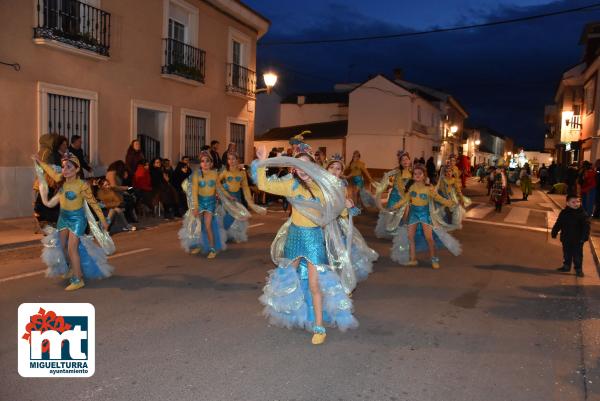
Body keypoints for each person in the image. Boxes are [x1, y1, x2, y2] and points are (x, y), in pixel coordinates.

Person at [252, 143, 358, 345]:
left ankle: (319, 326)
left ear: (314, 166)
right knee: (286, 277)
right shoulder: (289, 184)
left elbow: (336, 210)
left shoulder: (324, 186)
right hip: (294, 236)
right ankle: (290, 312)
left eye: (305, 165)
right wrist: (261, 161)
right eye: (298, 166)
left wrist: (346, 206)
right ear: (294, 168)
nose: (302, 170)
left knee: (314, 284)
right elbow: (263, 185)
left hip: (313, 239)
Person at [33, 153, 113, 291]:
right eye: (63, 167)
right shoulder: (61, 180)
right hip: (63, 218)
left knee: (72, 248)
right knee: (62, 246)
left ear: (76, 169)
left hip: (77, 220)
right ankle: (71, 268)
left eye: (68, 167)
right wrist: (40, 161)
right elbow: (51, 172)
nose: (64, 170)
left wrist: (102, 220)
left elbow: (93, 204)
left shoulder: (82, 185)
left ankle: (78, 279)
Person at [390, 164, 460, 269]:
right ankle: (413, 259)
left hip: (424, 214)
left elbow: (438, 198)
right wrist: (395, 206)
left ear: (424, 176)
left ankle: (434, 259)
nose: (417, 175)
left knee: (429, 238)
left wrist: (450, 203)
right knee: (410, 237)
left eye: (420, 173)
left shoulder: (429, 188)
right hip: (413, 214)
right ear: (412, 176)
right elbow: (405, 199)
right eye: (415, 174)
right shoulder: (412, 187)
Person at [326, 154, 378, 282]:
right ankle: (327, 278)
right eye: (331, 167)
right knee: (324, 250)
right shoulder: (321, 184)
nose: (334, 170)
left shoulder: (342, 185)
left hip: (337, 222)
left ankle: (341, 279)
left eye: (338, 168)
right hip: (323, 222)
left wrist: (347, 205)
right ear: (326, 168)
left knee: (340, 250)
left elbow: (342, 205)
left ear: (341, 172)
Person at [179, 151, 226, 258]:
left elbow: (219, 188)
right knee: (199, 226)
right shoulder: (196, 175)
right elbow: (194, 192)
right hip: (200, 203)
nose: (205, 163)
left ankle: (213, 249)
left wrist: (225, 196)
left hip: (210, 203)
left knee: (208, 225)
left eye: (207, 161)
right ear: (200, 163)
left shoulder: (215, 174)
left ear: (211, 163)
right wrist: (195, 207)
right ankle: (201, 244)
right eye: (202, 161)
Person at [218, 152, 265, 242]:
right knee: (230, 215)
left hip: (237, 196)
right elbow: (217, 182)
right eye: (229, 159)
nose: (231, 161)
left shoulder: (242, 173)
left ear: (237, 160)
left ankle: (230, 235)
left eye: (233, 159)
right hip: (227, 197)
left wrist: (249, 199)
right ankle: (220, 233)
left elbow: (245, 187)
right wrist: (224, 190)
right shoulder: (225, 172)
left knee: (237, 217)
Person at [374, 150, 412, 239]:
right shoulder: (395, 172)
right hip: (394, 198)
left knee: (404, 216)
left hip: (404, 199)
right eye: (403, 160)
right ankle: (393, 231)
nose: (405, 161)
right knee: (389, 220)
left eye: (406, 159)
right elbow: (388, 182)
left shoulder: (413, 173)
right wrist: (381, 187)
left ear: (410, 160)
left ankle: (401, 234)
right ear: (400, 162)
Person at [552, 194, 590, 277]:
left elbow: (586, 227)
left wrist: (584, 237)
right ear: (568, 203)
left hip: (578, 239)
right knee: (566, 253)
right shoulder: (564, 213)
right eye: (573, 202)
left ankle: (578, 269)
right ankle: (566, 266)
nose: (576, 204)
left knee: (577, 255)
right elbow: (559, 223)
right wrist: (554, 232)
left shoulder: (582, 214)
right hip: (566, 238)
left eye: (578, 201)